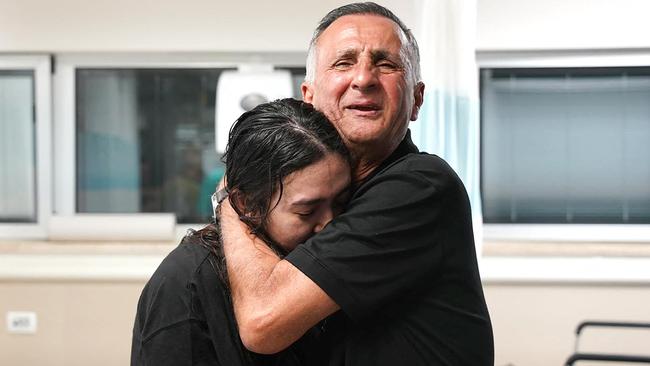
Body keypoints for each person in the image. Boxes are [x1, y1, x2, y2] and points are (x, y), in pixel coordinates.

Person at [218, 3, 494, 366]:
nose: (363, 78)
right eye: (344, 62)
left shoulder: (420, 186)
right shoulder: (328, 198)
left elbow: (263, 323)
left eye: (386, 64)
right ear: (309, 96)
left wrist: (229, 201)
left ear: (417, 100)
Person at [131, 98, 351, 366]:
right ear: (247, 204)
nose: (329, 224)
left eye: (341, 202)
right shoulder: (186, 284)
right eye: (306, 211)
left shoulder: (327, 261)